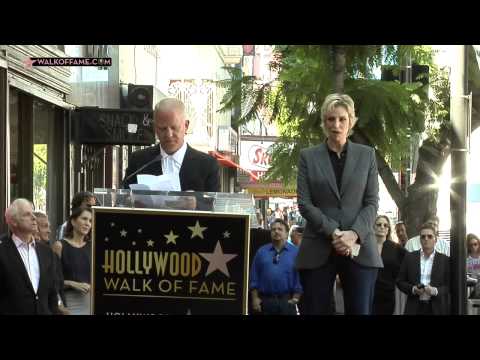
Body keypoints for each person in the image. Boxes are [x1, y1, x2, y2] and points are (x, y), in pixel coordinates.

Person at [295, 93, 382, 315]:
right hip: (318, 247)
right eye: (331, 119)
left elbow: (372, 203)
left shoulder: (367, 155)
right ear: (324, 122)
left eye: (342, 119)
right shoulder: (308, 157)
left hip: (360, 248)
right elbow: (304, 203)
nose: (336, 125)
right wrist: (334, 232)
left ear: (351, 121)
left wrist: (353, 234)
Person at [122, 98, 220, 192]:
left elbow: (214, 205)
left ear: (186, 126)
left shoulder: (207, 165)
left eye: (174, 127)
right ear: (155, 128)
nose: (169, 134)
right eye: (163, 129)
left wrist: (195, 204)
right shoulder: (139, 161)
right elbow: (123, 198)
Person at [0, 199, 60, 314]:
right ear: (13, 221)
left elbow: (52, 293)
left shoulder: (46, 252)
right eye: (27, 214)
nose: (34, 218)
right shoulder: (3, 251)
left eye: (33, 213)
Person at [249, 219, 302, 315]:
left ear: (286, 234)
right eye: (273, 229)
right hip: (265, 301)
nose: (276, 231)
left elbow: (299, 277)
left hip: (287, 301)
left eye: (280, 229)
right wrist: (255, 298)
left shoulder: (295, 252)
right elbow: (254, 276)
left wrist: (296, 297)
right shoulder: (261, 252)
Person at [397, 223, 450, 315]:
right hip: (414, 307)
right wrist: (413, 289)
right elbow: (400, 281)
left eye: (430, 236)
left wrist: (436, 291)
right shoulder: (410, 257)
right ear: (420, 240)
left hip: (436, 308)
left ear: (435, 240)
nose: (426, 239)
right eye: (423, 237)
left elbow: (449, 284)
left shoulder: (444, 260)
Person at [52, 206, 92, 315]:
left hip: (92, 303)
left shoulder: (93, 247)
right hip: (69, 304)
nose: (87, 223)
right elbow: (51, 281)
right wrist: (71, 283)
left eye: (90, 221)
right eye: (84, 219)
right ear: (73, 221)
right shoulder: (59, 246)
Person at [33, 211, 70, 314]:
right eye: (45, 226)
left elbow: (57, 285)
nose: (49, 231)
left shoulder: (51, 255)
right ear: (34, 227)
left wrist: (61, 305)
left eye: (49, 226)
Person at [372, 215, 406, 315]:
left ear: (388, 229)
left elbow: (409, 262)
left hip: (387, 294)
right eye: (379, 224)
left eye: (385, 225)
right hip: (368, 292)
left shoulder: (396, 248)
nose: (382, 227)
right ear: (373, 227)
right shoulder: (366, 245)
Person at [466, 233, 480, 298]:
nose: (473, 247)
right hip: (470, 284)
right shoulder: (465, 259)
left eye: (475, 244)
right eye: (470, 245)